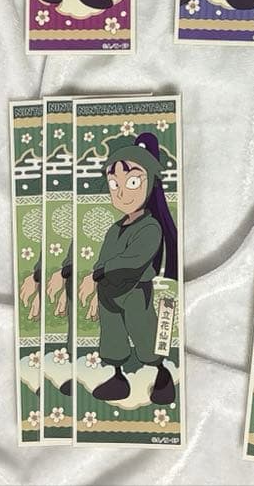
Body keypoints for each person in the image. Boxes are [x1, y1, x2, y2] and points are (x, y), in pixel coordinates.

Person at [77, 134, 178, 405]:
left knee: (144, 334)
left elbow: (133, 260)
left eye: (132, 182)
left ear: (150, 182)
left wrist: (98, 274)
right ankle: (118, 378)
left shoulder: (150, 226)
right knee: (113, 336)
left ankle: (161, 375)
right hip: (108, 293)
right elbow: (103, 259)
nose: (121, 193)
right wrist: (96, 283)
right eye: (114, 184)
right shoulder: (114, 229)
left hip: (135, 291)